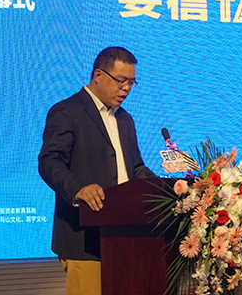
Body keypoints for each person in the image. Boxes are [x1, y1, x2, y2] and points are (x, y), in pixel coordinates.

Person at [38, 47, 155, 295]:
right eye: (121, 80)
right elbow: (50, 161)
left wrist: (168, 189)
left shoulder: (125, 119)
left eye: (131, 83)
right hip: (84, 238)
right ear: (98, 75)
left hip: (126, 237)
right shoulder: (67, 111)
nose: (126, 88)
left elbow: (135, 168)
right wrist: (78, 189)